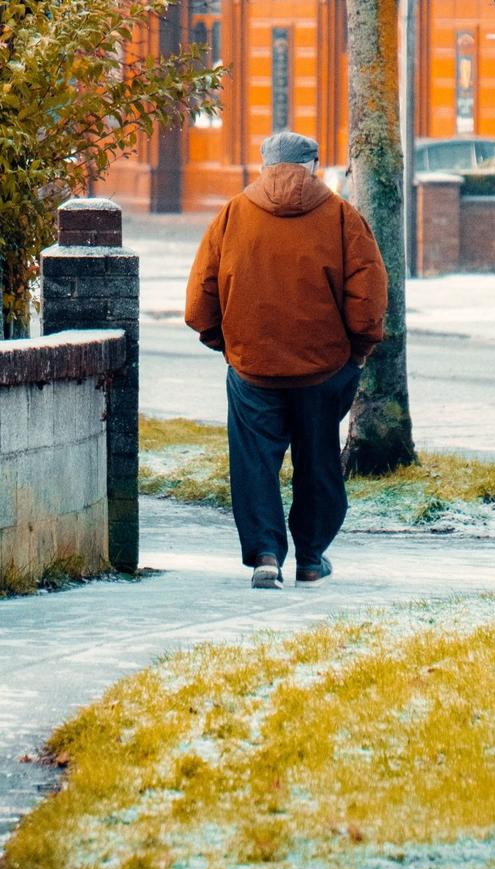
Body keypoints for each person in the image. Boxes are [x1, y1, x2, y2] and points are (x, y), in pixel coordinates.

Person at [185, 131, 388, 589]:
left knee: (254, 463)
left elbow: (200, 298)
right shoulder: (341, 217)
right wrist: (357, 352)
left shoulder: (232, 215)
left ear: (265, 166)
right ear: (312, 166)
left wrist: (228, 345)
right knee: (318, 460)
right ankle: (311, 558)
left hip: (252, 369)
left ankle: (265, 556)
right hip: (323, 370)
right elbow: (368, 294)